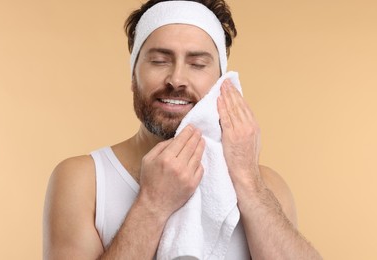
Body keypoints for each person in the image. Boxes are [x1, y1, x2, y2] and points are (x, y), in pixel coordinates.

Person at [43, 0, 322, 259]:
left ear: (220, 83)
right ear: (133, 75)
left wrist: (248, 183)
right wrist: (152, 204)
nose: (176, 79)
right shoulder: (84, 181)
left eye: (197, 64)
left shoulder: (267, 186)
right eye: (160, 60)